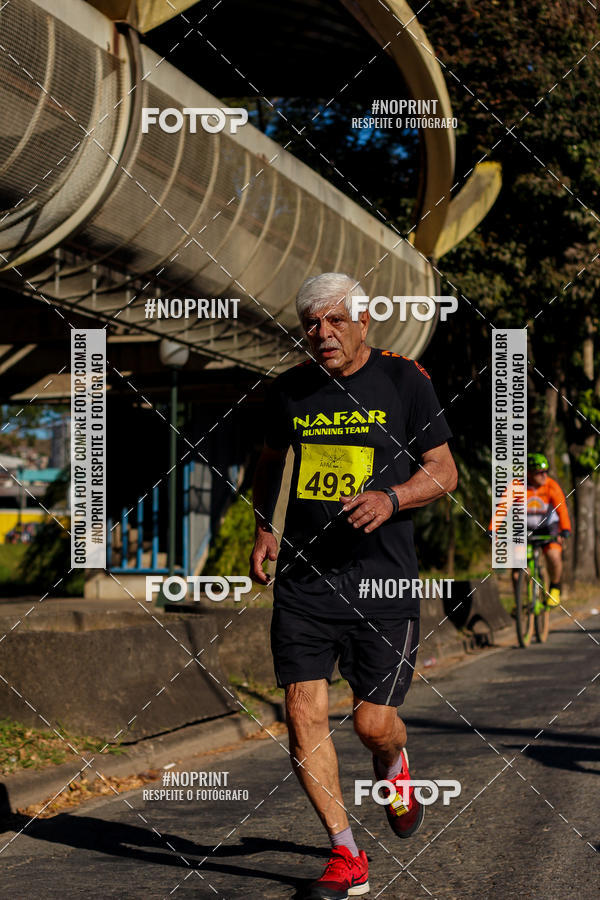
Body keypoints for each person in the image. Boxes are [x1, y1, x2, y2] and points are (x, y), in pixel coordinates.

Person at [250, 272, 457, 899]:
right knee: (301, 712)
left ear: (363, 319)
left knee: (373, 724)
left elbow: (444, 473)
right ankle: (346, 855)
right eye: (313, 323)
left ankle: (395, 766)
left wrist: (393, 498)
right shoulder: (289, 392)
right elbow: (268, 462)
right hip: (306, 578)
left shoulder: (404, 380)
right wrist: (265, 527)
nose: (324, 333)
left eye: (336, 320)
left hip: (383, 581)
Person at [489, 452, 571, 606]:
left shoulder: (551, 486)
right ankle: (519, 604)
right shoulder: (517, 486)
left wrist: (565, 529)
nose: (544, 476)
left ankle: (555, 586)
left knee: (554, 555)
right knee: (516, 571)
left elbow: (562, 510)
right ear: (529, 473)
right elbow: (503, 507)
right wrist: (493, 528)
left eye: (546, 471)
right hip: (523, 528)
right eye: (539, 473)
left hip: (547, 527)